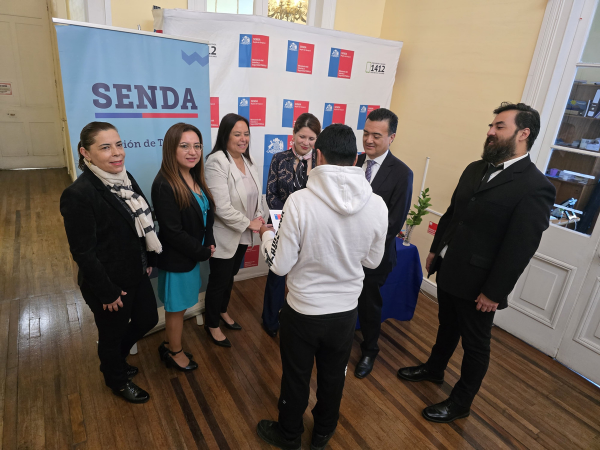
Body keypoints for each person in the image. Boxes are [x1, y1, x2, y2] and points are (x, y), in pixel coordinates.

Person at [397, 102, 556, 423]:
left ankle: (461, 401)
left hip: (482, 285)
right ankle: (434, 369)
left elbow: (520, 247)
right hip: (452, 268)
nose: (490, 131)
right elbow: (455, 213)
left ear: (523, 134)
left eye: (499, 127)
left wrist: (494, 292)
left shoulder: (536, 187)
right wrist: (436, 249)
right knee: (446, 326)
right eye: (491, 125)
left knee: (475, 345)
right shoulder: (475, 168)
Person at [256, 124, 388, 450]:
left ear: (318, 155)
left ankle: (289, 434)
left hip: (303, 311)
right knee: (334, 376)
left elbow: (281, 264)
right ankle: (323, 431)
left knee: (296, 376)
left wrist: (266, 236)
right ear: (356, 157)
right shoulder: (377, 204)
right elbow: (372, 262)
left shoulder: (299, 202)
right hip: (344, 312)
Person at [60, 122, 161, 403]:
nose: (117, 153)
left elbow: (141, 223)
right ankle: (115, 379)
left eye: (118, 144)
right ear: (86, 153)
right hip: (108, 283)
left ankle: (113, 361)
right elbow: (83, 252)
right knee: (111, 334)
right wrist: (107, 292)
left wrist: (148, 258)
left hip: (136, 270)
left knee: (148, 319)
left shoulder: (123, 178)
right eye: (105, 147)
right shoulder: (79, 195)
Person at [353, 108, 413, 379]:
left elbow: (394, 222)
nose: (368, 140)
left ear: (392, 138)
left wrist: (360, 244)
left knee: (369, 304)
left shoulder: (402, 173)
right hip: (345, 252)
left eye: (376, 135)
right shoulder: (354, 164)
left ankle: (369, 350)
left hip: (374, 256)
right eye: (366, 133)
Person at [152, 123, 215, 371]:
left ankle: (170, 342)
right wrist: (201, 252)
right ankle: (174, 352)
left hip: (191, 256)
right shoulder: (164, 184)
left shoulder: (194, 175)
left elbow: (206, 213)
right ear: (171, 149)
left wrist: (208, 239)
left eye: (197, 146)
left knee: (182, 304)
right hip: (178, 259)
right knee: (176, 309)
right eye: (185, 146)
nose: (193, 151)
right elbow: (172, 232)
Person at [204, 113, 265, 347]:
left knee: (230, 277)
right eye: (237, 134)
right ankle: (212, 324)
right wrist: (250, 223)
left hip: (243, 233)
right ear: (225, 135)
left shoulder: (247, 161)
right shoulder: (217, 161)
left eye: (246, 133)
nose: (243, 138)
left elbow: (255, 195)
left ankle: (222, 311)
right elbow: (220, 206)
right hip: (225, 234)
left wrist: (258, 215)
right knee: (218, 281)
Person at [262, 113, 321, 337]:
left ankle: (298, 321)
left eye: (312, 138)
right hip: (280, 223)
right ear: (293, 134)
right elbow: (271, 193)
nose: (306, 142)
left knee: (305, 274)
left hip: (311, 227)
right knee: (277, 273)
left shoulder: (321, 161)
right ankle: (270, 320)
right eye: (302, 136)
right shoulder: (279, 158)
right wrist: (286, 220)